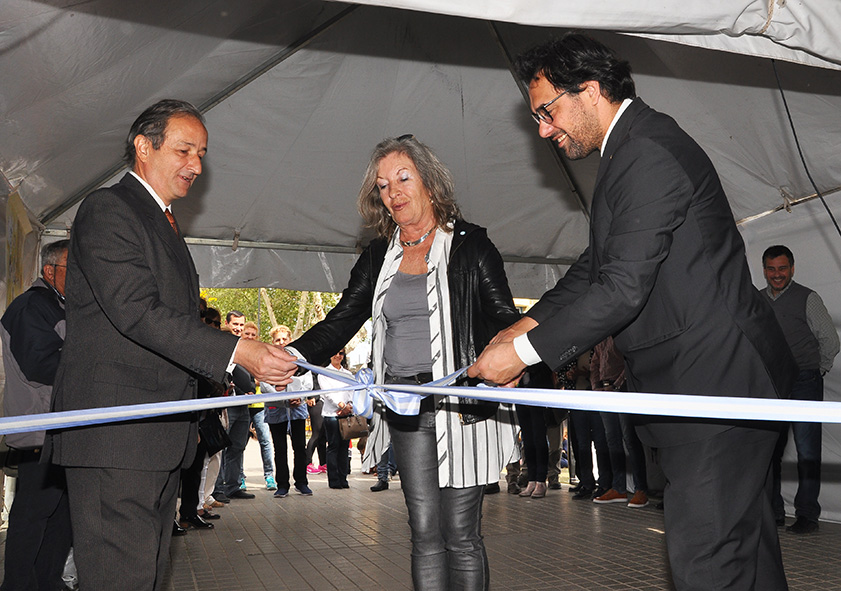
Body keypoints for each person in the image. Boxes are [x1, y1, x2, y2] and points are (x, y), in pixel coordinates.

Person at [469, 34, 797, 591]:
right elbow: (594, 266)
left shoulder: (645, 152)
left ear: (590, 90)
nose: (544, 130)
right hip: (707, 386)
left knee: (709, 566)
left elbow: (621, 289)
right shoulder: (628, 151)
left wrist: (523, 355)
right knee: (748, 557)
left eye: (547, 112)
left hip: (717, 386)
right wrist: (522, 325)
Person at [48, 99, 297, 591]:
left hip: (154, 437)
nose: (196, 166)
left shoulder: (161, 221)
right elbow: (136, 311)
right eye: (184, 150)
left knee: (143, 577)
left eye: (201, 154)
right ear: (144, 147)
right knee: (120, 579)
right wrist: (237, 352)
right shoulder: (108, 209)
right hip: (116, 437)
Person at [290, 134, 520, 590]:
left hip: (464, 407)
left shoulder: (472, 246)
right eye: (382, 184)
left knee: (461, 535)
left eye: (402, 178)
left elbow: (504, 318)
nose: (392, 191)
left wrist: (514, 360)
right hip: (404, 407)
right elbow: (343, 317)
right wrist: (295, 355)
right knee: (424, 532)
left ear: (430, 185)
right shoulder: (379, 255)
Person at [0, 240, 72, 591]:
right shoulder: (32, 306)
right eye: (73, 269)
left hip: (62, 433)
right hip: (39, 434)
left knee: (61, 519)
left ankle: (48, 581)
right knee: (33, 518)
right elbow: (43, 365)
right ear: (50, 270)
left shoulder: (62, 306)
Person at [760, 245, 840, 534]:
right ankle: (774, 512)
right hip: (772, 383)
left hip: (805, 380)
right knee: (769, 450)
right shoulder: (758, 301)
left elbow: (830, 340)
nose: (777, 274)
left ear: (792, 269)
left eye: (782, 268)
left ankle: (807, 515)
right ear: (764, 270)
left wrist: (817, 370)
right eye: (771, 268)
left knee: (808, 452)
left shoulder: (808, 298)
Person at [590, 337, 649, 508]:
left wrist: (617, 385)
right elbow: (595, 363)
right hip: (604, 391)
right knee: (612, 440)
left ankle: (641, 490)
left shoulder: (621, 334)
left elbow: (630, 361)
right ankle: (618, 488)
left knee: (630, 439)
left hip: (623, 390)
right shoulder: (600, 336)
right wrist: (597, 388)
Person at [263, 325, 313, 497]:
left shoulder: (299, 359)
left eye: (285, 339)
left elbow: (308, 382)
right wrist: (284, 400)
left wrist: (300, 397)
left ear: (290, 340)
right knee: (280, 448)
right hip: (276, 410)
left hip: (298, 409)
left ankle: (301, 482)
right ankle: (282, 484)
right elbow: (265, 385)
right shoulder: (267, 359)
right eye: (278, 339)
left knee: (300, 446)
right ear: (273, 342)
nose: (281, 342)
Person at [317, 349, 355, 489]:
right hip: (331, 414)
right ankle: (333, 480)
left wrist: (348, 406)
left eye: (341, 353)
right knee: (333, 446)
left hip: (346, 415)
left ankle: (343, 478)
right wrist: (340, 405)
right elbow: (327, 393)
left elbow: (353, 391)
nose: (338, 356)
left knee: (344, 447)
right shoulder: (324, 373)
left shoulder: (348, 374)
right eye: (335, 353)